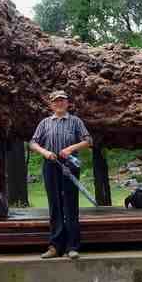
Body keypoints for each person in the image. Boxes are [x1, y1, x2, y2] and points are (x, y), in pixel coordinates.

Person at [29, 90, 92, 259]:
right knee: (55, 205)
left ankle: (72, 247)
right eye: (56, 101)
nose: (59, 104)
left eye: (62, 101)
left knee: (70, 205)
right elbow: (33, 143)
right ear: (51, 105)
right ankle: (55, 246)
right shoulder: (45, 123)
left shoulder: (75, 121)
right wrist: (45, 152)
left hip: (70, 166)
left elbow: (88, 140)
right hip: (51, 165)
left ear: (67, 103)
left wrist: (70, 149)